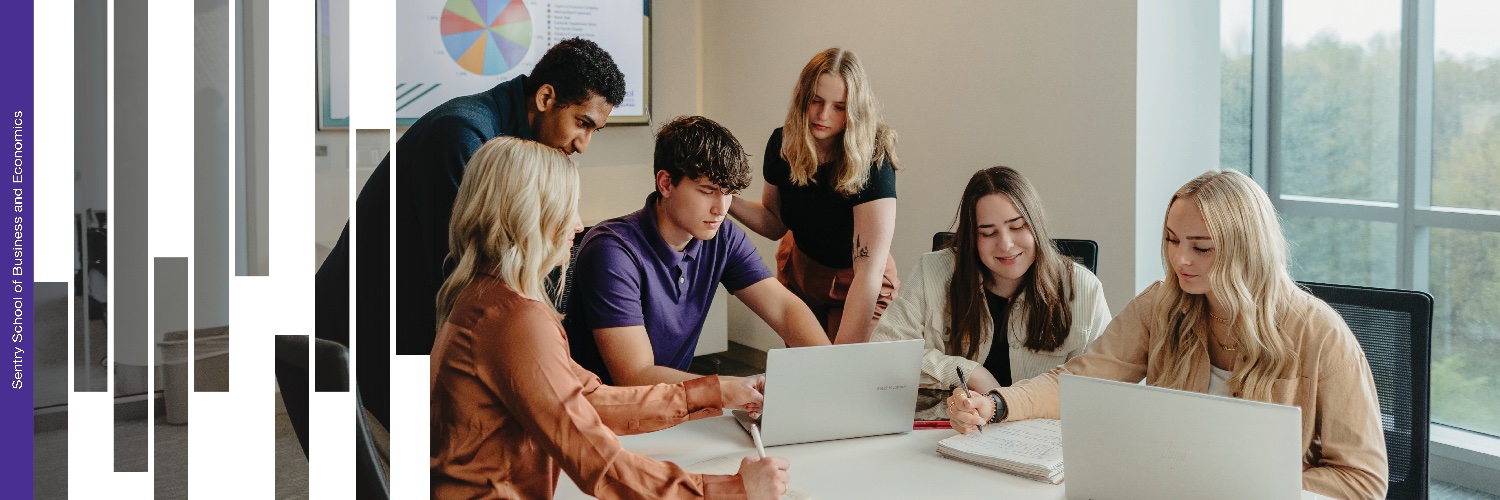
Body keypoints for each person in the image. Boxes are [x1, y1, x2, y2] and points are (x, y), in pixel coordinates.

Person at [946, 170, 1388, 500]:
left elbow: (1363, 480)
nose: (1180, 260)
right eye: (1173, 240)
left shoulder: (1319, 334)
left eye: (1201, 247)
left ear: (1245, 247)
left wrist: (1246, 490)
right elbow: (1080, 381)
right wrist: (997, 403)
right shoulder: (1161, 306)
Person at [429, 136, 791, 499]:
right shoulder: (516, 320)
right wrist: (730, 490)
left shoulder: (484, 296)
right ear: (526, 215)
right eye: (567, 207)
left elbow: (591, 400)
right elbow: (597, 461)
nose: (575, 224)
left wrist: (716, 391)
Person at [315, 38, 624, 428]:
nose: (583, 145)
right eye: (582, 124)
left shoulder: (505, 140)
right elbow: (468, 279)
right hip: (363, 327)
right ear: (546, 97)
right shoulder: (462, 135)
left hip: (405, 318)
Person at [568, 115, 831, 386]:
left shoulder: (721, 236)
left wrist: (834, 366)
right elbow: (635, 375)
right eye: (708, 191)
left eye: (728, 193)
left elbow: (784, 309)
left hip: (670, 409)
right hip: (604, 417)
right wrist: (729, 389)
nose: (721, 208)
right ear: (666, 183)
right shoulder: (612, 251)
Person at [871, 167, 1111, 420]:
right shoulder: (931, 272)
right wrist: (969, 372)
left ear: (1036, 226)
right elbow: (884, 356)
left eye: (1017, 227)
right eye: (988, 233)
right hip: (946, 430)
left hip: (1044, 438)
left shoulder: (1085, 289)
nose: (1006, 245)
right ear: (971, 238)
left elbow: (1100, 389)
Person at [728, 47, 901, 344]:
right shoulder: (783, 143)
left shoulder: (873, 157)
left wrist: (842, 358)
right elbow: (774, 223)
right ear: (803, 98)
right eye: (817, 101)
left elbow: (867, 271)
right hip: (801, 272)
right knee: (804, 375)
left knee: (844, 377)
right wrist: (724, 199)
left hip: (857, 282)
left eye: (839, 107)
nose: (823, 115)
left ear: (855, 109)